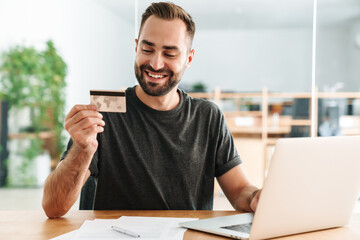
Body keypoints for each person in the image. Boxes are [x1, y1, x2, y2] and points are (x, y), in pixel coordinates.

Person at [42, 2, 261, 219]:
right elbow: (53, 207)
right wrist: (82, 148)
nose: (156, 64)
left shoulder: (208, 117)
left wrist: (256, 197)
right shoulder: (105, 114)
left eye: (170, 54)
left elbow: (240, 189)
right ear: (136, 48)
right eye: (147, 49)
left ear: (189, 59)